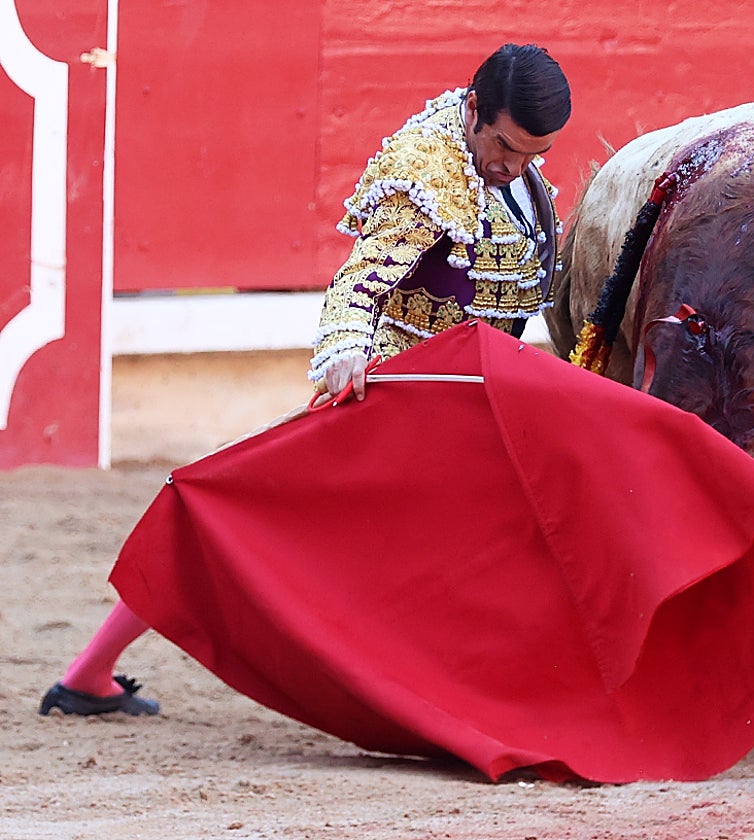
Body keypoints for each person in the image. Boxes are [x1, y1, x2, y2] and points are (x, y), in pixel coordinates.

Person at [39, 42, 572, 718]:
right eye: (506, 146)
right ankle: (88, 673)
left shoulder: (511, 174)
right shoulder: (429, 171)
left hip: (470, 403)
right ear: (473, 109)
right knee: (231, 524)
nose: (515, 165)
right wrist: (348, 354)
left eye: (532, 154)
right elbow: (358, 284)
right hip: (397, 397)